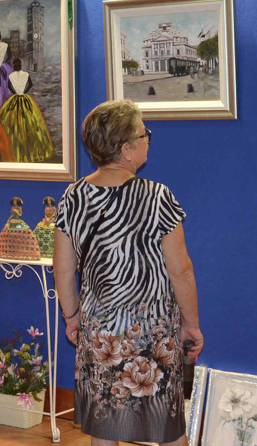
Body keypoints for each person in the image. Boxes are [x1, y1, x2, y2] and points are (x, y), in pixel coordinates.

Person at [52, 99, 203, 446]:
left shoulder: (73, 197)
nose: (148, 139)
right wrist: (191, 323)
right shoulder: (157, 198)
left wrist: (72, 317)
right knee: (168, 425)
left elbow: (63, 270)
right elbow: (181, 271)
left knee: (105, 427)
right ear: (126, 149)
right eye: (143, 133)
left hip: (100, 333)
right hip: (153, 332)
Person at [0, 58, 55, 163]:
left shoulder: (13, 76)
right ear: (19, 65)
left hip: (16, 98)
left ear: (16, 66)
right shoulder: (24, 75)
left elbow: (9, 86)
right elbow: (29, 84)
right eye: (16, 65)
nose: (16, 66)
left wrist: (16, 92)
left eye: (17, 65)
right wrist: (24, 91)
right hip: (23, 97)